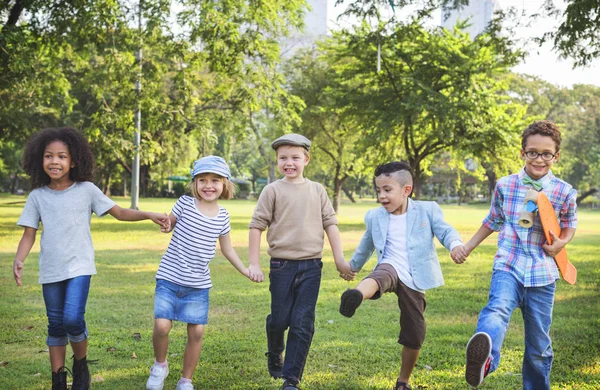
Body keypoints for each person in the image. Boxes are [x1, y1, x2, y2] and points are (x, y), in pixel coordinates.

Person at [13, 127, 169, 390]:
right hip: (51, 269)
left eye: (62, 156)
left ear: (73, 161)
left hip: (79, 266)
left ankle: (81, 364)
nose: (54, 161)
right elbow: (29, 234)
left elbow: (119, 212)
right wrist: (19, 259)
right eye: (49, 156)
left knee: (72, 318)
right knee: (55, 324)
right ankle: (58, 380)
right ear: (40, 159)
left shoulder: (87, 190)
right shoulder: (37, 196)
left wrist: (149, 214)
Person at [453, 120, 577, 389]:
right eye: (532, 152)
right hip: (508, 265)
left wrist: (560, 245)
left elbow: (569, 226)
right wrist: (467, 247)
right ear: (522, 153)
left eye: (546, 154)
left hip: (543, 273)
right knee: (496, 310)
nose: (539, 159)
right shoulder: (505, 185)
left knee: (539, 346)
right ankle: (484, 361)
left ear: (556, 156)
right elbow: (493, 220)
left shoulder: (564, 191)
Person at [338, 161, 466, 390]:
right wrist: (353, 267)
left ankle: (402, 381)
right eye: (378, 190)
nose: (381, 196)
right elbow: (366, 245)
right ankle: (356, 295)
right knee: (381, 275)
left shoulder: (427, 210)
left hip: (416, 277)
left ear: (406, 190)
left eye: (387, 190)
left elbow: (445, 231)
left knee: (415, 331)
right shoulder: (375, 216)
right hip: (389, 265)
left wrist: (455, 245)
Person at [247, 133, 354, 390]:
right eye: (283, 158)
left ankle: (291, 379)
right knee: (280, 319)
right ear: (277, 161)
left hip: (311, 267)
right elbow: (256, 226)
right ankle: (275, 351)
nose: (289, 162)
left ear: (306, 159)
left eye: (295, 157)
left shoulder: (317, 190)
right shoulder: (272, 190)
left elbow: (331, 224)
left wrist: (339, 259)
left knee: (302, 322)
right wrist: (254, 263)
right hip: (281, 266)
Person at [146, 155, 257, 390]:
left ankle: (186, 380)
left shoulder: (223, 216)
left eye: (215, 180)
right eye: (202, 180)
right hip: (169, 277)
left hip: (198, 285)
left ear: (225, 184)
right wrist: (166, 224)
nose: (208, 185)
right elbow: (170, 223)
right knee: (162, 326)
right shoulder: (185, 203)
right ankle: (160, 365)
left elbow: (227, 249)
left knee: (196, 332)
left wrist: (245, 270)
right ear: (194, 183)